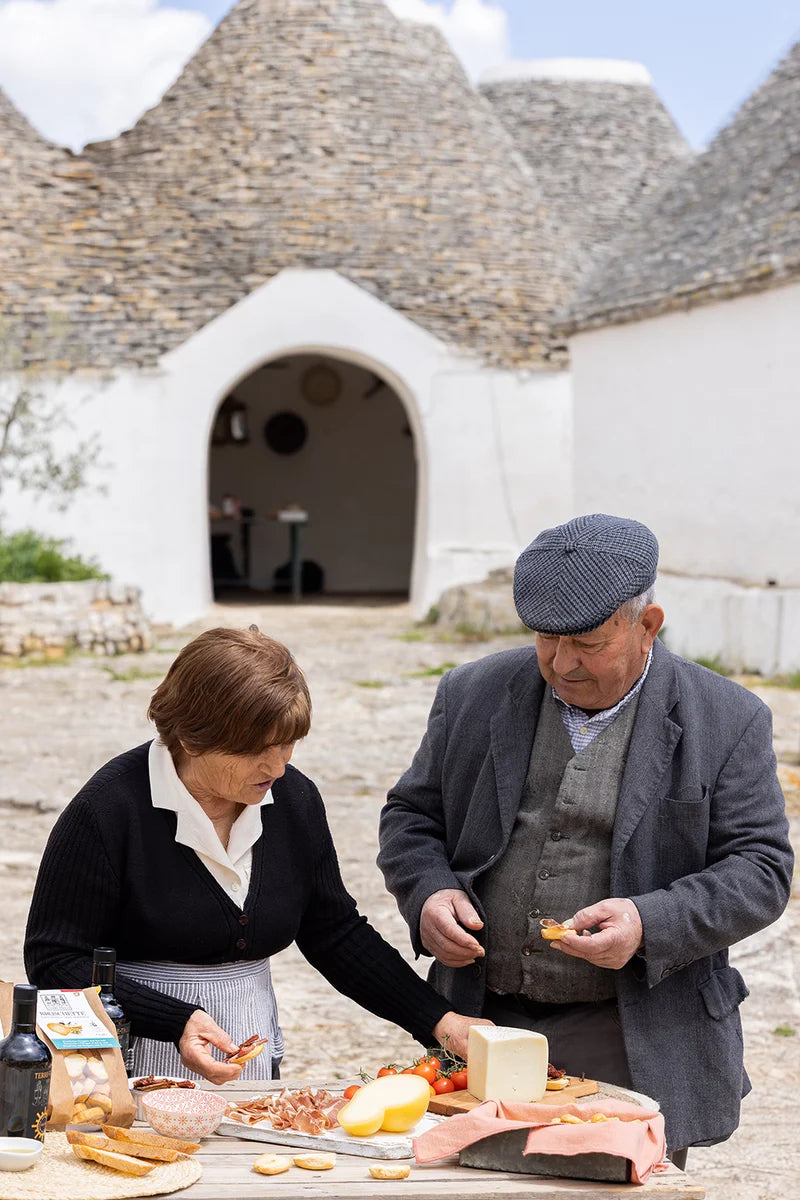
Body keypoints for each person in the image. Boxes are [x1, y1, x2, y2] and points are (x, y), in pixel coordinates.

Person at [377, 513, 793, 1164]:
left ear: (647, 624)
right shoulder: (473, 693)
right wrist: (428, 894)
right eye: (546, 638)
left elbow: (762, 871)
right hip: (484, 1024)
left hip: (631, 1030)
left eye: (589, 644)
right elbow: (411, 815)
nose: (562, 663)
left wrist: (647, 922)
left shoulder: (728, 718)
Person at [24, 626, 482, 1084]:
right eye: (255, 751)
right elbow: (55, 959)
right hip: (123, 1069)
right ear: (191, 738)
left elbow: (335, 933)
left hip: (253, 1063)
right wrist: (174, 1020)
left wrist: (439, 1021)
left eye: (287, 744)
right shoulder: (107, 810)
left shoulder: (294, 799)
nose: (277, 767)